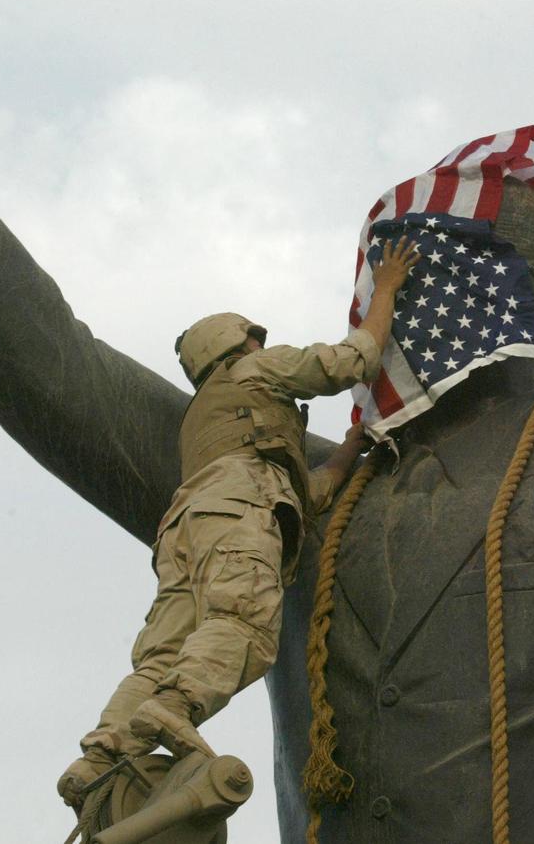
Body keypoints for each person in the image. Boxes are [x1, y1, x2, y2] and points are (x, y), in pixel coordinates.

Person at [56, 236, 420, 811]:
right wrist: (388, 288)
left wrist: (353, 448)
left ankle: (100, 757)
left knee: (161, 653)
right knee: (243, 623)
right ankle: (176, 707)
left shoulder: (205, 416)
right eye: (253, 337)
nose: (260, 342)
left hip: (185, 529)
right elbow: (355, 360)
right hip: (238, 508)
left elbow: (309, 494)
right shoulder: (253, 370)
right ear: (236, 344)